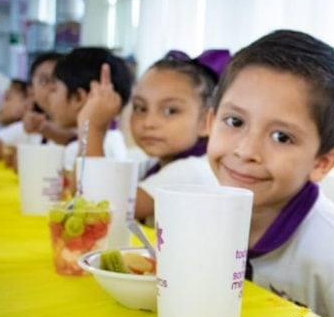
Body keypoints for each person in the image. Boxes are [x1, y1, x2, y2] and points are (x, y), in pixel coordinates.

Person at [206, 29, 334, 317]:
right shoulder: (207, 211)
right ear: (210, 122)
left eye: (281, 137)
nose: (246, 151)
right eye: (235, 122)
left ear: (322, 163)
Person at [80, 49, 230, 222]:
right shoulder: (151, 162)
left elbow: (99, 207)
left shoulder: (191, 171)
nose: (149, 122)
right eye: (140, 108)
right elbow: (81, 192)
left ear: (206, 122)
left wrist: (93, 129)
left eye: (170, 111)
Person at [48, 47, 132, 184]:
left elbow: (84, 198)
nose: (49, 97)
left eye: (54, 89)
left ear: (78, 97)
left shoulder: (82, 148)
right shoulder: (114, 139)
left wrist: (91, 126)